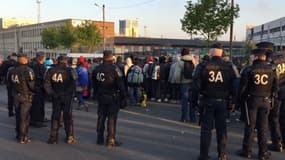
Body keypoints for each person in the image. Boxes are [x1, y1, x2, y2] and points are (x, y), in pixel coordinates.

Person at [193, 43, 239, 160]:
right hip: (223, 101)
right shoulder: (229, 66)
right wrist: (233, 102)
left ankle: (204, 155)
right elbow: (235, 86)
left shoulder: (203, 65)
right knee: (222, 129)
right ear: (221, 53)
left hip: (207, 100)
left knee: (206, 129)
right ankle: (222, 155)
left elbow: (195, 86)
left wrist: (194, 103)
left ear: (211, 52)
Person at [237, 48, 278, 160]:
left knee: (250, 126)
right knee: (263, 127)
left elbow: (243, 88)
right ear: (264, 57)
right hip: (265, 100)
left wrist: (239, 101)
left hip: (252, 100)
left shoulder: (249, 69)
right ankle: (263, 152)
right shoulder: (272, 69)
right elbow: (275, 87)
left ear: (255, 57)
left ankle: (247, 150)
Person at [93, 50, 127, 147]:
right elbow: (121, 85)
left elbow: (94, 84)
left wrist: (96, 95)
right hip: (112, 96)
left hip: (101, 96)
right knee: (111, 118)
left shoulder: (97, 69)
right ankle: (110, 139)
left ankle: (99, 138)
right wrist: (124, 96)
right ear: (112, 57)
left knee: (101, 117)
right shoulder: (115, 69)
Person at [256, 41, 283, 152]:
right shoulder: (282, 58)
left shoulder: (269, 62)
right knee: (280, 118)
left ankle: (273, 143)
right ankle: (280, 142)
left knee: (271, 119)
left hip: (273, 93)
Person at [44, 55, 78, 144]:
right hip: (67, 97)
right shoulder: (70, 70)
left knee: (55, 116)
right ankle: (69, 137)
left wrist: (52, 93)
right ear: (66, 62)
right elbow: (74, 84)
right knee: (68, 117)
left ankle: (53, 138)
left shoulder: (50, 70)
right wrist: (68, 93)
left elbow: (46, 84)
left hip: (56, 96)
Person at [7, 53, 35, 144]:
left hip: (15, 95)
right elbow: (32, 85)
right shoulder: (28, 70)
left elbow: (9, 85)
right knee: (25, 117)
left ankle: (18, 134)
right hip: (25, 96)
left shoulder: (11, 70)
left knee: (18, 116)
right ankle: (23, 137)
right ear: (25, 60)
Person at [174, 48, 195, 122]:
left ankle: (184, 118)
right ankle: (193, 118)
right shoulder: (194, 61)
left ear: (182, 54)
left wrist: (177, 82)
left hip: (184, 83)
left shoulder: (180, 62)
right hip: (192, 83)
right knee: (192, 101)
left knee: (184, 101)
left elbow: (177, 75)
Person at [29, 52, 47, 128]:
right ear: (42, 58)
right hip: (39, 87)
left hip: (35, 87)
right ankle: (37, 120)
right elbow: (42, 77)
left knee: (37, 104)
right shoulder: (39, 66)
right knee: (38, 105)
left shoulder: (32, 64)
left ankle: (38, 119)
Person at [0, 53, 18, 117]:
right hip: (16, 82)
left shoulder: (5, 63)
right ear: (14, 57)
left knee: (10, 97)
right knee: (16, 97)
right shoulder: (16, 63)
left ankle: (10, 111)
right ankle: (16, 111)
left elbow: (1, 72)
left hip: (8, 82)